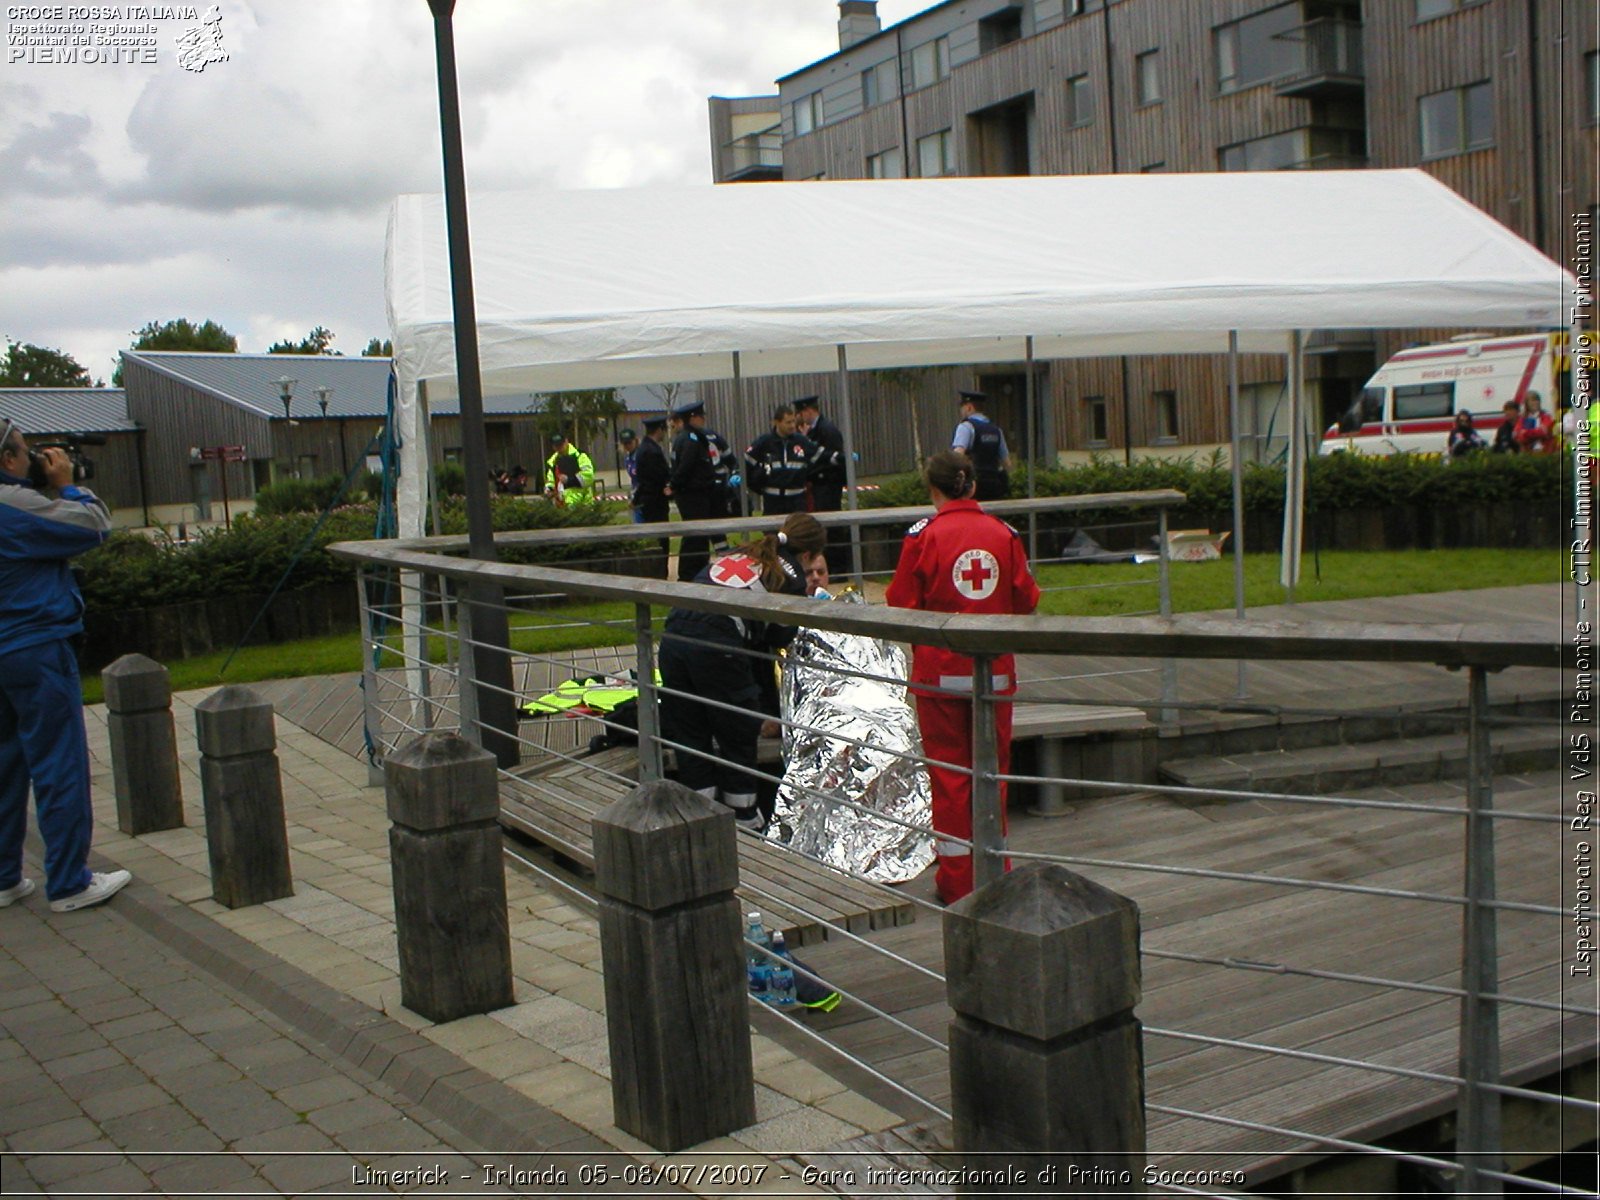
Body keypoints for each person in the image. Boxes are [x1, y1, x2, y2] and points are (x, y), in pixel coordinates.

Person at [885, 449, 1040, 905]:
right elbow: (1026, 601)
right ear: (972, 486)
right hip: (993, 675)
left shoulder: (923, 537)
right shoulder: (1004, 534)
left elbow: (900, 604)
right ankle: (997, 871)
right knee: (993, 773)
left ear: (933, 490)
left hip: (939, 677)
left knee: (951, 778)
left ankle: (956, 882)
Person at [0, 419, 130, 913]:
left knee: (5, 764)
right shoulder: (14, 506)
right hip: (33, 645)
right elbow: (92, 525)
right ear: (8, 461)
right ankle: (70, 881)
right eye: (25, 453)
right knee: (59, 761)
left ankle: (5, 876)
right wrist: (66, 483)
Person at [660, 512, 827, 832]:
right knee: (737, 740)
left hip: (673, 643)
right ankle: (745, 825)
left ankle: (699, 824)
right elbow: (777, 640)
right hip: (717, 650)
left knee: (691, 740)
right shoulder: (789, 579)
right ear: (808, 555)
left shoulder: (744, 552)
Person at [668, 400, 720, 581]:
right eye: (700, 416)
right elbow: (686, 466)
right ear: (692, 418)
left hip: (692, 494)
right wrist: (673, 484)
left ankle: (695, 571)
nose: (703, 419)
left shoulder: (684, 438)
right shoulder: (691, 439)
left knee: (697, 536)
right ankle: (691, 573)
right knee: (696, 537)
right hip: (693, 495)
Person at [745, 404, 828, 516]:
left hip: (797, 501)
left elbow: (822, 456)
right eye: (788, 422)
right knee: (773, 532)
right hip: (773, 502)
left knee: (798, 531)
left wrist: (842, 456)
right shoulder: (765, 442)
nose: (793, 426)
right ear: (777, 422)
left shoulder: (801, 441)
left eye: (793, 421)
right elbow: (746, 462)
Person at [951, 390, 1012, 501]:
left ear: (969, 407)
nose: (961, 411)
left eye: (962, 407)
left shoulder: (966, 427)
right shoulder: (996, 430)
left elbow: (958, 455)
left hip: (973, 485)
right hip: (994, 485)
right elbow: (1007, 463)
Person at [791, 396, 846, 512]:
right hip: (819, 484)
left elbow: (835, 458)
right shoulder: (815, 430)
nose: (800, 417)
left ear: (809, 411)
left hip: (828, 484)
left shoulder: (826, 430)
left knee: (829, 519)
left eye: (801, 413)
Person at [632, 417, 671, 578]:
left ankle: (658, 572)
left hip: (648, 500)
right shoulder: (652, 451)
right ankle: (660, 573)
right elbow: (660, 475)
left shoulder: (644, 448)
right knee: (661, 539)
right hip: (655, 501)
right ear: (660, 429)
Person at [543, 433, 594, 501]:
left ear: (566, 441)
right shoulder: (553, 462)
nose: (559, 448)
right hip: (562, 505)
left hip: (582, 504)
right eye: (556, 445)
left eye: (561, 444)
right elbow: (551, 480)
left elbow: (589, 476)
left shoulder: (580, 456)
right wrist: (549, 489)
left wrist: (569, 480)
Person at [617, 428, 640, 520]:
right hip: (635, 494)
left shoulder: (640, 455)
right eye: (625, 443)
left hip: (644, 496)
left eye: (630, 442)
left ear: (635, 441)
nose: (628, 446)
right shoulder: (628, 459)